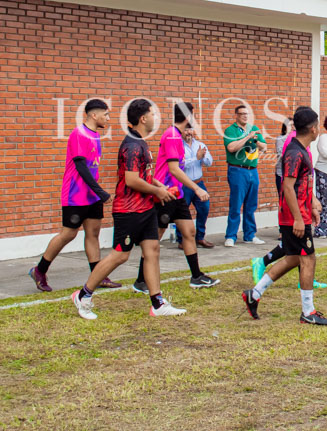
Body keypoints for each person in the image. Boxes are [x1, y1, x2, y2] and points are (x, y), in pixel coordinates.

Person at [71, 99, 185, 320]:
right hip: (128, 210)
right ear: (143, 118)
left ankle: (157, 303)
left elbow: (144, 175)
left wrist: (159, 186)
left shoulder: (140, 142)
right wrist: (157, 191)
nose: (156, 118)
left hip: (145, 208)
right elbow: (132, 180)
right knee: (119, 256)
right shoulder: (133, 145)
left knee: (152, 250)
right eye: (153, 114)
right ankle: (83, 295)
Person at [242, 107, 327, 325]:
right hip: (294, 217)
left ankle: (254, 294)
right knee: (308, 258)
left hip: (300, 213)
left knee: (294, 258)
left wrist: (312, 203)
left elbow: (302, 184)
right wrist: (298, 219)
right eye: (318, 124)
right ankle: (308, 312)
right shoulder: (294, 152)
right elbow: (288, 187)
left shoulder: (301, 149)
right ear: (312, 128)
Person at [30, 99, 121, 292]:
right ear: (94, 115)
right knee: (68, 234)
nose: (108, 118)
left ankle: (98, 275)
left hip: (92, 196)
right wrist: (101, 192)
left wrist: (97, 194)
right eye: (106, 114)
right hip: (75, 195)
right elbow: (80, 167)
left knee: (93, 234)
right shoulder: (79, 134)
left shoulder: (95, 135)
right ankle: (39, 270)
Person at [133, 101, 219, 292]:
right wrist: (197, 189)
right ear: (188, 117)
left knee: (189, 232)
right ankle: (140, 280)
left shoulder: (177, 135)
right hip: (166, 193)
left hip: (176, 194)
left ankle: (196, 276)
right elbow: (173, 169)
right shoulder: (172, 136)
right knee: (154, 238)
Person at [223, 104, 267, 246]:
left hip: (252, 169)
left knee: (251, 204)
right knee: (236, 204)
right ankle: (231, 236)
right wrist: (248, 136)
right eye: (242, 114)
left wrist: (255, 140)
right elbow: (231, 148)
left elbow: (264, 147)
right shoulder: (231, 130)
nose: (245, 116)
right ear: (236, 115)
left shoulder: (254, 129)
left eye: (247, 114)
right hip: (237, 169)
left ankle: (250, 235)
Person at [176, 126, 214, 249]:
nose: (189, 132)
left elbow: (209, 162)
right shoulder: (178, 146)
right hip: (184, 184)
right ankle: (181, 240)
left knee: (204, 208)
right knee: (182, 212)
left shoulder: (200, 145)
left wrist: (203, 157)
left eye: (190, 130)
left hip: (199, 182)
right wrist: (196, 158)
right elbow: (179, 165)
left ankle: (200, 238)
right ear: (181, 131)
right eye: (186, 130)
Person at [274, 118, 293, 196]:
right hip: (282, 173)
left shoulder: (297, 139)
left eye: (294, 125)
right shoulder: (281, 139)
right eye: (290, 125)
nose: (292, 127)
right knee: (283, 198)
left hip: (294, 173)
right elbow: (282, 154)